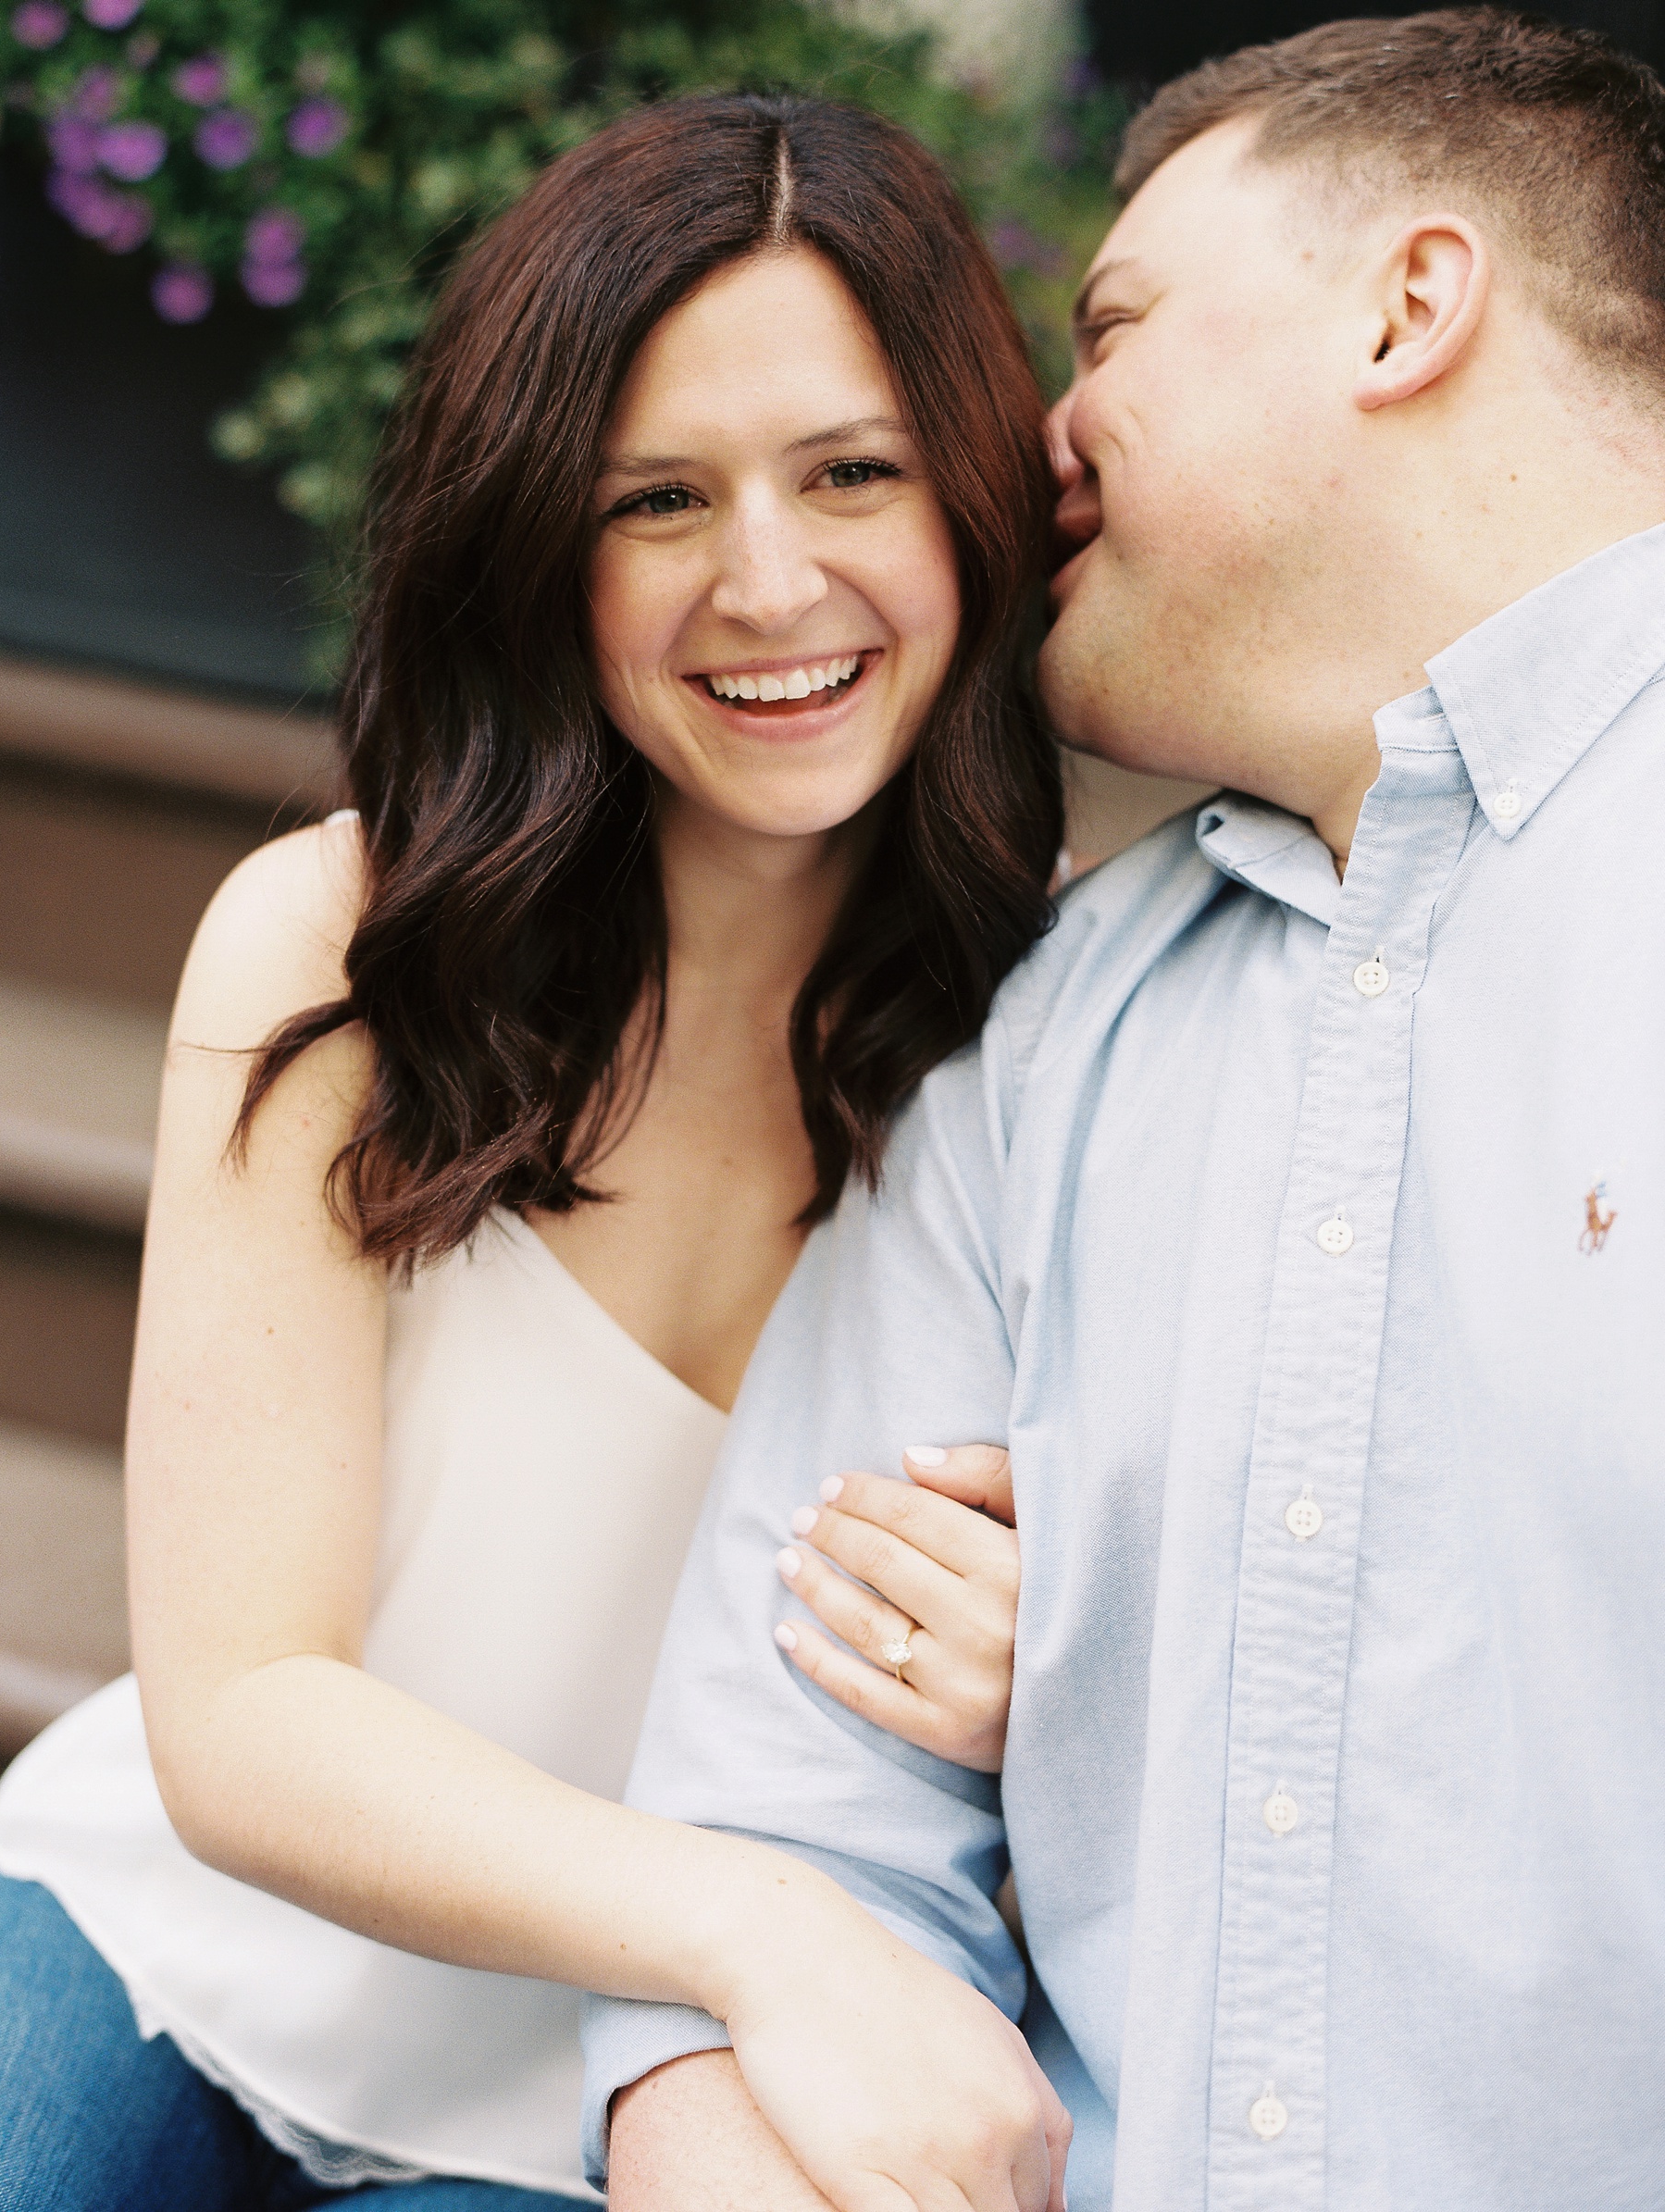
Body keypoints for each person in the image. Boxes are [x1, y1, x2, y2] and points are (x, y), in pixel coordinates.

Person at [587, 12, 1665, 2209]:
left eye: (1114, 325)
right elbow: (777, 1848)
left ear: (1409, 306)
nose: (1041, 440)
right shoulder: (1053, 1036)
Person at [0, 93, 1077, 2212]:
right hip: (164, 1949)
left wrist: (1065, 1670)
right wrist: (761, 1926)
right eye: (656, 498)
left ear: (972, 494)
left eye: (851, 471)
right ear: (534, 546)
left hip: (595, 2113)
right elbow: (245, 1714)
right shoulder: (343, 945)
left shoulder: (1063, 1051)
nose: (771, 583)